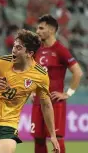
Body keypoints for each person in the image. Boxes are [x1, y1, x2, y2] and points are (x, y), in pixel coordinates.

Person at [31, 14, 83, 153]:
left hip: (55, 102)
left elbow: (78, 72)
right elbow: (32, 73)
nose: (37, 31)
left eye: (41, 28)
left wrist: (68, 93)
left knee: (57, 138)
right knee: (38, 138)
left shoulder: (60, 50)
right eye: (37, 28)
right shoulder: (36, 50)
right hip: (38, 102)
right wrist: (31, 91)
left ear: (52, 30)